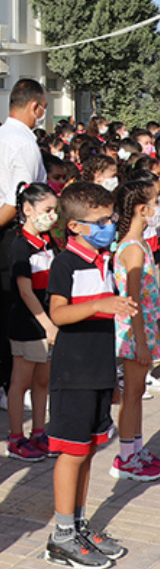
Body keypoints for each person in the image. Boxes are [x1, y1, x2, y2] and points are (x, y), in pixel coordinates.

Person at [44, 181, 134, 569]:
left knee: (89, 449)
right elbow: (58, 314)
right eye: (100, 220)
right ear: (76, 226)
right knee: (71, 452)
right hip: (73, 373)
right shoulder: (65, 263)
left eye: (111, 218)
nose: (109, 226)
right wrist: (101, 304)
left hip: (98, 370)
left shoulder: (102, 260)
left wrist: (112, 379)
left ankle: (78, 523)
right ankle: (61, 535)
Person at [0, 79, 48, 402]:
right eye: (42, 107)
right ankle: (11, 385)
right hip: (9, 230)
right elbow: (19, 198)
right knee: (17, 305)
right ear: (35, 106)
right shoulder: (23, 143)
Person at [111, 178, 160, 481]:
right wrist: (141, 343)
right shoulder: (133, 249)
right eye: (155, 202)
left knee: (138, 389)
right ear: (142, 209)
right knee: (131, 394)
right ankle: (126, 457)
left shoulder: (140, 244)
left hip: (143, 332)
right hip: (133, 333)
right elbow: (133, 300)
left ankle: (137, 448)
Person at [6, 183, 58, 462]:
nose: (51, 215)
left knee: (42, 381)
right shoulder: (20, 246)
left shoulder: (48, 241)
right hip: (29, 324)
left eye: (54, 210)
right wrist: (47, 325)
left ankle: (39, 432)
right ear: (28, 210)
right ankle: (16, 437)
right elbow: (25, 291)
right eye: (46, 210)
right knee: (21, 382)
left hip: (48, 321)